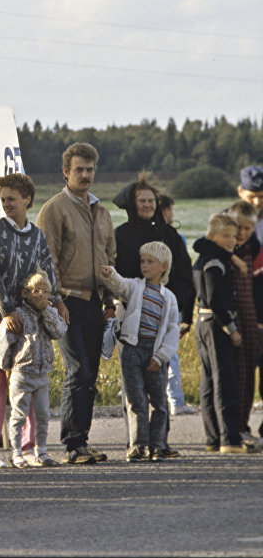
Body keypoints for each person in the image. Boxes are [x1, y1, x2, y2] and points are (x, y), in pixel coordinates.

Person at [0, 172, 62, 469]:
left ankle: (27, 448)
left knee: (29, 382)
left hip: (30, 320)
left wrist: (57, 301)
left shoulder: (37, 235)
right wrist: (6, 310)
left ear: (27, 199)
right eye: (2, 200)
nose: (6, 204)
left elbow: (47, 270)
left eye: (11, 199)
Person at [36, 142, 116, 465]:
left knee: (91, 373)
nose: (85, 175)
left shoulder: (102, 211)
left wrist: (110, 302)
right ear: (65, 172)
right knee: (78, 369)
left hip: (96, 302)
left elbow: (110, 258)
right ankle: (72, 444)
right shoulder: (53, 209)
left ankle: (83, 441)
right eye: (79, 169)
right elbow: (46, 259)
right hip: (66, 301)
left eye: (90, 169)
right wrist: (55, 299)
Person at [112, 173, 195, 431]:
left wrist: (182, 314)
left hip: (163, 317)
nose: (148, 205)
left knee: (159, 384)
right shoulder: (120, 236)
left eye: (151, 200)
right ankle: (135, 440)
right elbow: (117, 278)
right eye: (142, 201)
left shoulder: (169, 235)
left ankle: (160, 440)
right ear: (131, 203)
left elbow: (184, 275)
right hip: (130, 317)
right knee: (133, 386)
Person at [99, 242, 180, 463]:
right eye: (142, 261)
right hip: (132, 349)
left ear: (163, 266)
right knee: (135, 401)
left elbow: (173, 331)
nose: (144, 265)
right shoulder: (135, 286)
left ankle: (158, 445)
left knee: (159, 402)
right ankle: (137, 445)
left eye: (150, 262)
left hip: (155, 353)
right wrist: (110, 274)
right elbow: (119, 285)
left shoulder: (169, 298)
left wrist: (161, 356)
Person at [192, 213, 260, 454]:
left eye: (234, 236)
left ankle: (212, 437)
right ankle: (229, 439)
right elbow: (215, 299)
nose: (232, 240)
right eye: (226, 236)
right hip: (216, 323)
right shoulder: (215, 262)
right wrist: (231, 329)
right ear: (212, 237)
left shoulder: (206, 257)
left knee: (209, 383)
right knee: (225, 381)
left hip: (202, 320)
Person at [0, 270, 66, 469]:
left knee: (43, 415)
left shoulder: (49, 314)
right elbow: (1, 343)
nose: (40, 295)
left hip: (42, 373)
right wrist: (7, 366)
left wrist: (48, 314)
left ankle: (41, 451)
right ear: (26, 293)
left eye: (45, 291)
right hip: (22, 373)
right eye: (36, 290)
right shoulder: (19, 314)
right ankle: (16, 453)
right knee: (18, 415)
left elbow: (60, 331)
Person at [225, 200, 263, 446]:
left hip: (251, 316)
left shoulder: (255, 247)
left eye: (248, 228)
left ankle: (244, 424)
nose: (242, 233)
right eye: (239, 227)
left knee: (248, 370)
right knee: (234, 372)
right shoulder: (221, 247)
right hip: (230, 314)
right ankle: (233, 428)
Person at [157, 193, 196, 417]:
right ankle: (176, 400)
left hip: (160, 300)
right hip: (171, 300)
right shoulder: (175, 238)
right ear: (165, 211)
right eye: (170, 209)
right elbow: (185, 274)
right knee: (170, 351)